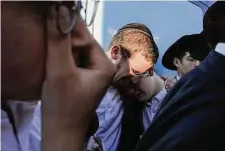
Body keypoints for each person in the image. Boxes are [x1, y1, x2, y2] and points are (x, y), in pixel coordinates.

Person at [1, 1, 115, 151]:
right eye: (59, 12)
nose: (85, 40)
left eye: (77, 11)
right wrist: (65, 135)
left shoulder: (32, 118)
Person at [133, 2, 225, 151]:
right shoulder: (205, 87)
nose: (196, 64)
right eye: (191, 59)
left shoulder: (192, 85)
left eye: (199, 59)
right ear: (177, 62)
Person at [87, 23, 159, 151]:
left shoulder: (128, 95)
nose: (137, 81)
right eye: (135, 72)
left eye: (143, 74)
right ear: (115, 53)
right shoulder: (77, 79)